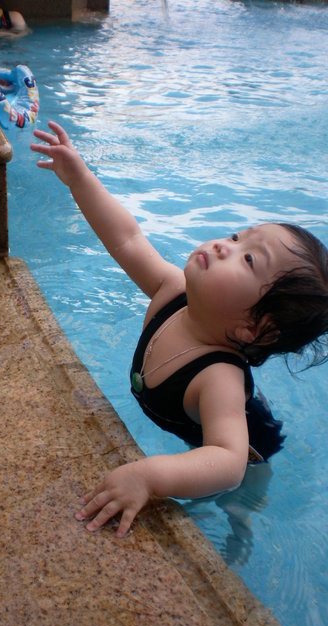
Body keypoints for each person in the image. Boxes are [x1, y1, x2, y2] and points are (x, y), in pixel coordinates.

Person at [31, 121, 328, 538]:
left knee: (237, 499)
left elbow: (228, 462)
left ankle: (242, 526)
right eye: (237, 237)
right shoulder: (171, 291)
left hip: (250, 445)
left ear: (254, 327)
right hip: (207, 421)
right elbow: (128, 239)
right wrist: (79, 178)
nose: (225, 245)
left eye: (248, 260)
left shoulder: (218, 380)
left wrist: (149, 477)